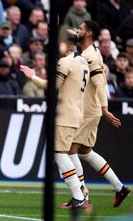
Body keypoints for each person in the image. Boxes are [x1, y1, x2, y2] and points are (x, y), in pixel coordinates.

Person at [20, 29, 90, 209]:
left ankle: (79, 194)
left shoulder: (65, 62)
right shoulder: (83, 61)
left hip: (65, 114)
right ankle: (81, 193)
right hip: (76, 112)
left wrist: (32, 76)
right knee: (64, 154)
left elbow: (51, 87)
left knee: (59, 154)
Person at [67, 20, 130, 208]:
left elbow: (100, 84)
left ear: (88, 34)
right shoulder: (89, 52)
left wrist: (105, 110)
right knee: (85, 152)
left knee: (69, 151)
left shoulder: (90, 57)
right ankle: (120, 188)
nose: (78, 30)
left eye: (80, 28)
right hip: (88, 109)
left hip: (88, 110)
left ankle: (82, 194)